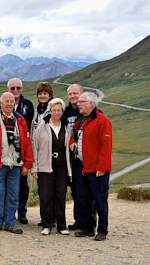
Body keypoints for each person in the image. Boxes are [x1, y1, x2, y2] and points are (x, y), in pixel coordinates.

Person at [0, 92, 33, 234]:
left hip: (15, 164)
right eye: (5, 101)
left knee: (13, 194)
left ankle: (10, 222)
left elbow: (27, 143)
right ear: (0, 103)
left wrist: (27, 164)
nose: (8, 104)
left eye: (11, 102)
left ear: (14, 103)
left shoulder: (21, 120)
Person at [70, 92, 112, 241]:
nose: (78, 104)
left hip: (97, 170)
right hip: (82, 167)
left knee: (100, 201)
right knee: (83, 199)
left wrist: (102, 167)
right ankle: (88, 228)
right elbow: (73, 136)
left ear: (91, 104)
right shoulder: (82, 120)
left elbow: (106, 146)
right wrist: (71, 143)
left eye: (82, 101)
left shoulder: (102, 120)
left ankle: (102, 231)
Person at [31, 98, 72, 235]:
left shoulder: (67, 127)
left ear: (62, 111)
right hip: (45, 166)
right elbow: (35, 147)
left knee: (60, 195)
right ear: (50, 111)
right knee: (46, 196)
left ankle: (62, 226)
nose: (56, 112)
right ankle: (47, 225)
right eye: (54, 110)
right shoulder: (42, 127)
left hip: (62, 166)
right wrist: (34, 167)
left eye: (58, 110)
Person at [7, 78, 34, 225]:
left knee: (23, 184)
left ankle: (22, 212)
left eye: (18, 88)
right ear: (8, 90)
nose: (15, 91)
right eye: (12, 88)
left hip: (22, 149)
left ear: (22, 89)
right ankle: (8, 212)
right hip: (7, 151)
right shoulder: (4, 103)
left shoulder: (28, 105)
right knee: (7, 184)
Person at [62, 84, 83, 230]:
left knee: (84, 191)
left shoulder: (86, 110)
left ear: (81, 94)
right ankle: (77, 220)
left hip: (83, 158)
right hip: (68, 158)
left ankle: (87, 220)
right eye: (70, 94)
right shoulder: (65, 112)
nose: (72, 96)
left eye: (75, 93)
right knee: (75, 190)